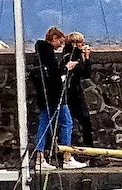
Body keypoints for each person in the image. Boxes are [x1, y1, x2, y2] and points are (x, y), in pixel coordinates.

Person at [32, 26, 79, 170]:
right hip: (54, 96)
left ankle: (40, 158)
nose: (61, 46)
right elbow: (55, 76)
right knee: (67, 122)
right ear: (54, 38)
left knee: (44, 124)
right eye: (60, 42)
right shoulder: (48, 55)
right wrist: (67, 68)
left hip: (45, 96)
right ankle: (67, 156)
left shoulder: (41, 55)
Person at [63, 32, 96, 160]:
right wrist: (86, 58)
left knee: (76, 122)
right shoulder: (71, 55)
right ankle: (88, 152)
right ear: (75, 44)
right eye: (81, 43)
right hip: (73, 93)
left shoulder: (68, 54)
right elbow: (85, 72)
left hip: (73, 92)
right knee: (82, 121)